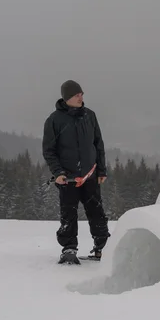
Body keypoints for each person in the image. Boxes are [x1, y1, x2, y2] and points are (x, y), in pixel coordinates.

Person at [42, 80, 110, 264]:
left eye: (81, 93)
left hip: (91, 175)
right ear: (67, 98)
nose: (81, 96)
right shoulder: (54, 120)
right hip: (67, 178)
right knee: (68, 214)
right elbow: (49, 150)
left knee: (97, 212)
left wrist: (101, 170)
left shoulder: (90, 116)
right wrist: (58, 173)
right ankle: (69, 248)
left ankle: (101, 247)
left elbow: (98, 144)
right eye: (77, 94)